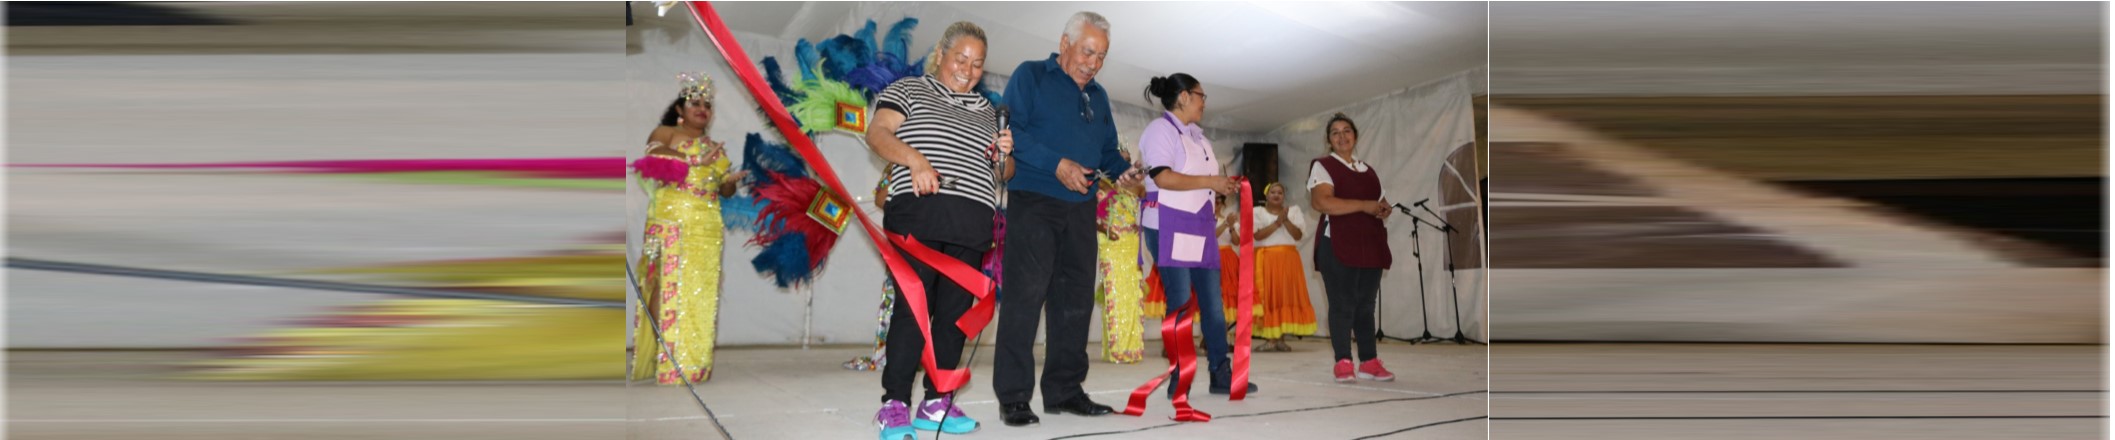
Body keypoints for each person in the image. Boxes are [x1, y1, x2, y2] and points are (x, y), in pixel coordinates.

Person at [992, 11, 1140, 428]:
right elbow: (1013, 133)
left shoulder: (1100, 96)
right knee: (1025, 298)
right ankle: (1014, 396)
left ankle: (1064, 390)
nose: (1093, 63)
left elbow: (1107, 152)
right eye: (1088, 52)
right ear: (1064, 44)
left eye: (1101, 56)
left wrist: (1125, 172)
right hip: (1034, 200)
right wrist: (1056, 164)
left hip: (1082, 207)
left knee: (1075, 301)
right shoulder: (1031, 75)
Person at [865, 21, 1011, 439]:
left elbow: (1005, 174)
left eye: (978, 64)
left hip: (971, 222)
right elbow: (877, 133)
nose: (968, 70)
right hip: (918, 214)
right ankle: (894, 404)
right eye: (960, 59)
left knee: (955, 316)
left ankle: (936, 402)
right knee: (913, 310)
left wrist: (1004, 154)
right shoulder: (910, 89)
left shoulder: (989, 112)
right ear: (940, 55)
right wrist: (915, 160)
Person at [1138, 72, 1256, 397]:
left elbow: (1203, 182)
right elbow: (1162, 177)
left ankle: (1221, 372)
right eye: (1201, 95)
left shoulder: (1199, 137)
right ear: (1184, 96)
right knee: (1180, 303)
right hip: (1168, 223)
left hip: (1199, 225)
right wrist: (1211, 183)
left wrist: (1222, 187)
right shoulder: (1160, 130)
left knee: (1213, 304)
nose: (1204, 102)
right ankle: (1180, 376)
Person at [630, 72, 746, 385]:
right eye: (695, 103)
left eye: (707, 105)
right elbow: (652, 152)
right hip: (672, 218)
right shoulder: (667, 132)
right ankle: (665, 355)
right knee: (666, 282)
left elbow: (724, 191)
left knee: (700, 289)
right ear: (680, 109)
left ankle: (692, 362)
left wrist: (730, 181)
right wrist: (693, 161)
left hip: (707, 224)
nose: (702, 109)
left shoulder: (715, 148)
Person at [1307, 113, 1397, 383]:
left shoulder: (1368, 170)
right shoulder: (1323, 166)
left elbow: (1380, 202)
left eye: (1347, 130)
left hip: (1369, 244)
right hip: (1338, 244)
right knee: (1342, 304)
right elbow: (1322, 202)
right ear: (1329, 140)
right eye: (1335, 132)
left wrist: (1383, 208)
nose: (1342, 136)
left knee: (1366, 306)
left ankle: (1369, 361)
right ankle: (1343, 361)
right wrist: (1365, 206)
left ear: (1355, 136)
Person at [1251, 183, 1316, 352]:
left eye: (1280, 192)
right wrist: (1277, 223)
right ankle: (1270, 338)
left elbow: (1298, 235)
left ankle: (1280, 338)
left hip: (1288, 260)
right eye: (1273, 192)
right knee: (1269, 297)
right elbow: (1257, 235)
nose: (1276, 195)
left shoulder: (1293, 212)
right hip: (1267, 259)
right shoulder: (1257, 212)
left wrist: (1285, 220)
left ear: (1284, 196)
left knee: (1284, 296)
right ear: (1266, 195)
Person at [1096, 150, 1147, 365]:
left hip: (1131, 242)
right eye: (1120, 158)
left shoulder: (1135, 186)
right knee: (1115, 293)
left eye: (1127, 160)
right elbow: (1091, 214)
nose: (1124, 163)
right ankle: (1116, 349)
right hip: (1111, 242)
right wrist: (1104, 229)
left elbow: (1145, 200)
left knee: (1133, 294)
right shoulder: (1100, 184)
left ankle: (1132, 348)